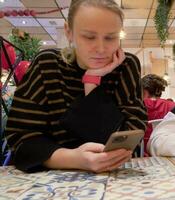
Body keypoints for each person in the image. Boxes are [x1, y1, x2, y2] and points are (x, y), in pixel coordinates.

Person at [4, 0, 147, 173]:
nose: (101, 49)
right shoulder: (46, 64)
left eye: (110, 37)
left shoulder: (126, 65)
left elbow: (131, 133)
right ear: (69, 32)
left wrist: (92, 82)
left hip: (114, 179)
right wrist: (74, 159)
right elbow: (21, 138)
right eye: (89, 37)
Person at [141, 74, 175, 156]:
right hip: (166, 150)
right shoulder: (171, 105)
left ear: (144, 91)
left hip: (142, 152)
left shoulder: (139, 106)